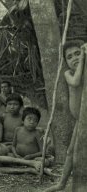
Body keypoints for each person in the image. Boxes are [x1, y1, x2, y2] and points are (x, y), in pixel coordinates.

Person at [45, 40, 86, 192]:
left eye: (77, 53)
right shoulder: (68, 73)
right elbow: (75, 83)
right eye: (69, 57)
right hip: (79, 120)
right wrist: (82, 58)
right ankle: (62, 183)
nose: (74, 58)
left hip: (85, 119)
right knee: (70, 152)